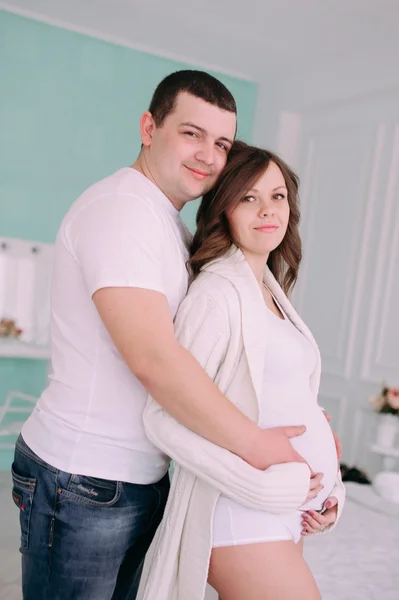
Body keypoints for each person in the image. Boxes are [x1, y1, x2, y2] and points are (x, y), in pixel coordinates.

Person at [10, 71, 324, 600]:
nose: (207, 154)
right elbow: (154, 359)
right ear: (149, 127)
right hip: (83, 476)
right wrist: (257, 446)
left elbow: (214, 358)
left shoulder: (171, 225)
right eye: (191, 133)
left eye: (221, 142)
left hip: (139, 475)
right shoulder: (120, 211)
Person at [138, 141, 346, 600]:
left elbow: (291, 402)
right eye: (248, 197)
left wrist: (330, 492)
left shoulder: (271, 292)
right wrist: (263, 490)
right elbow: (163, 417)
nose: (267, 210)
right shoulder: (215, 295)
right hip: (240, 509)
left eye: (277, 196)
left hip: (288, 510)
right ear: (223, 209)